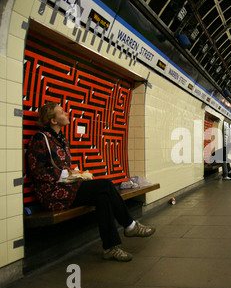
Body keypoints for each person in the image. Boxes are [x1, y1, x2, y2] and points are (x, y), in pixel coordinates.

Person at [26, 102, 155, 262]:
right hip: (52, 194)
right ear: (53, 120)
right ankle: (130, 225)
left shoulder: (62, 140)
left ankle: (110, 248)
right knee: (105, 185)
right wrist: (66, 173)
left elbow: (62, 167)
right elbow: (36, 170)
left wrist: (75, 173)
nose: (66, 114)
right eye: (62, 112)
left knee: (103, 197)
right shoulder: (40, 139)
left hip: (67, 188)